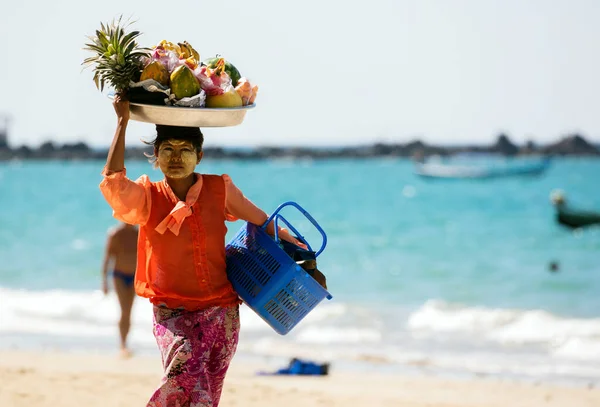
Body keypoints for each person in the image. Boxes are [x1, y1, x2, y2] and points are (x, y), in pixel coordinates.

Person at [99, 95, 305, 407]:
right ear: (156, 155)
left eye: (185, 150)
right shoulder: (148, 197)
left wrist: (296, 246)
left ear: (199, 156)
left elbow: (262, 221)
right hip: (171, 312)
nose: (176, 157)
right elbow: (114, 184)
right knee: (182, 369)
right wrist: (122, 121)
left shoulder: (220, 189)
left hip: (221, 312)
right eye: (168, 150)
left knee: (206, 396)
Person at [101, 222, 139, 357]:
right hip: (119, 276)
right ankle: (123, 344)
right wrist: (104, 281)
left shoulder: (138, 233)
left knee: (129, 311)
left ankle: (125, 343)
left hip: (135, 276)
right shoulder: (115, 233)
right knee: (124, 310)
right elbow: (108, 257)